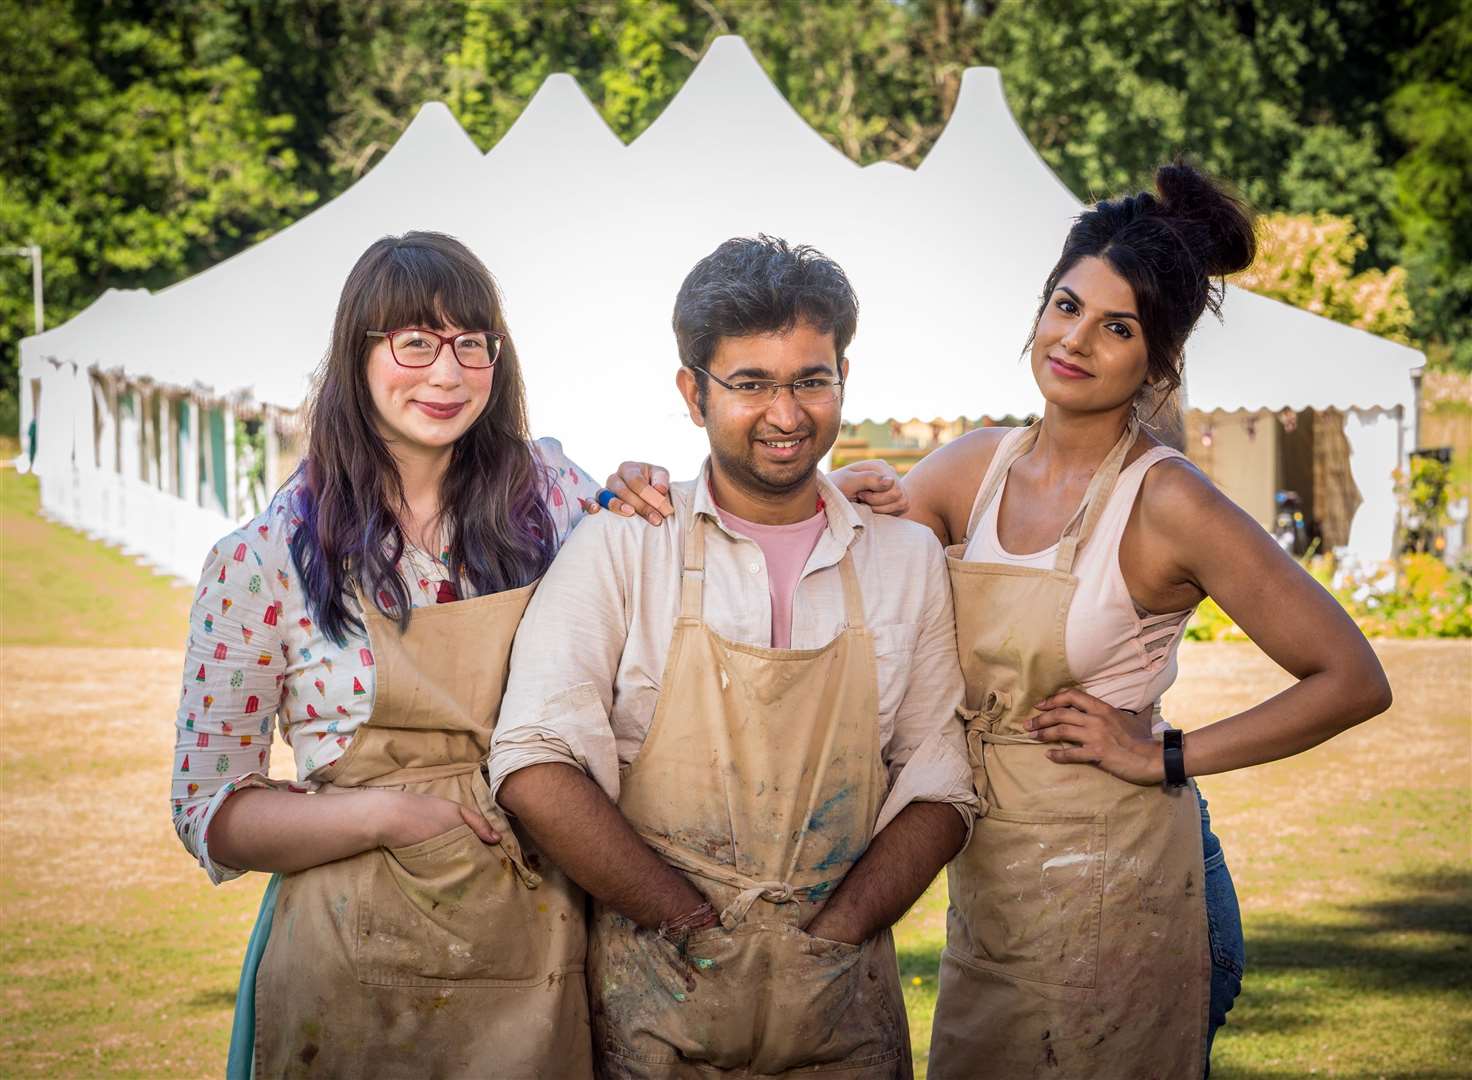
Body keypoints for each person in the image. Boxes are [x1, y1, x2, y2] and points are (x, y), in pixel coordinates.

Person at [880, 162, 1390, 1078]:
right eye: (1065, 305)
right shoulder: (969, 469)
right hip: (994, 892)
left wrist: (1164, 754)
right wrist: (833, 489)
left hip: (1124, 895)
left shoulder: (1167, 503)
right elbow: (846, 567)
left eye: (1116, 327)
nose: (1074, 340)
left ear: (1156, 360)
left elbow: (1352, 679)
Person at [490, 235, 978, 1078]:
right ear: (693, 392)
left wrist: (832, 936)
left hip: (843, 1014)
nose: (786, 415)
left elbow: (941, 782)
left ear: (843, 378)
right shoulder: (623, 544)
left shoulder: (904, 560)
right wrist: (692, 927)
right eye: (751, 384)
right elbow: (532, 761)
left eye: (811, 381)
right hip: (657, 1008)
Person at [169, 232, 602, 1077]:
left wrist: (828, 492)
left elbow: (680, 558)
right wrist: (394, 815)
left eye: (470, 343)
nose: (447, 373)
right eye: (415, 342)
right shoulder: (262, 560)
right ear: (356, 353)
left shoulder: (553, 498)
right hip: (348, 964)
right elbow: (209, 812)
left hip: (540, 942)